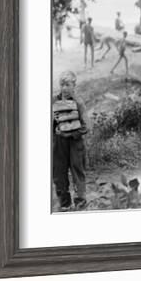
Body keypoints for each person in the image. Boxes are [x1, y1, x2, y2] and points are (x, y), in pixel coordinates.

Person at [52, 71, 88, 211]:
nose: (64, 88)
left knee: (77, 170)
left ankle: (80, 202)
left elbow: (86, 126)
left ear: (74, 85)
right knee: (59, 172)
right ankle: (65, 203)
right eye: (62, 84)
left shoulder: (78, 102)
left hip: (75, 142)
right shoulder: (54, 101)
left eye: (67, 85)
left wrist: (72, 133)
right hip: (59, 143)